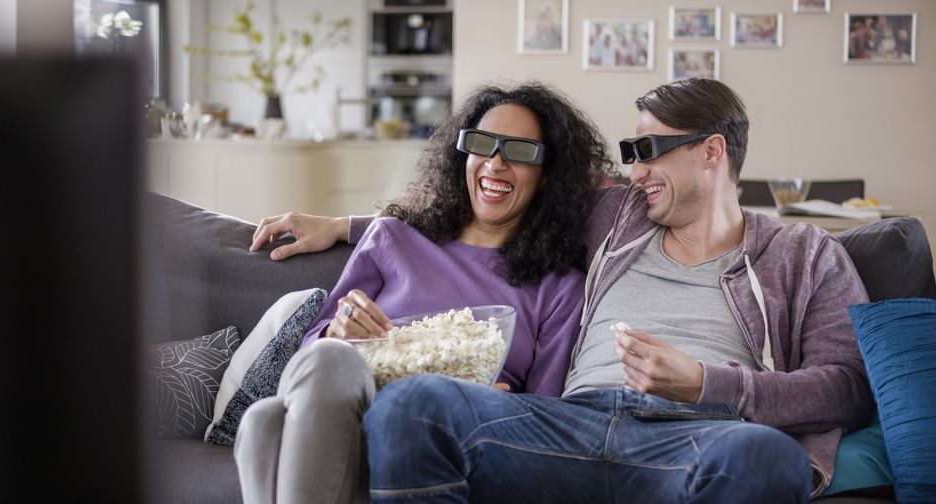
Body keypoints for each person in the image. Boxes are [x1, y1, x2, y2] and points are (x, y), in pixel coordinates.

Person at [279, 78, 873, 502]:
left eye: (649, 152)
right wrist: (347, 226)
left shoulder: (806, 253)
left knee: (768, 461)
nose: (634, 171)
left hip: (699, 436)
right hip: (563, 428)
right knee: (414, 405)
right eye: (629, 154)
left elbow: (848, 387)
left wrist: (705, 383)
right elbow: (496, 188)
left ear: (712, 152)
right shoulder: (619, 216)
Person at [233, 82, 613, 504]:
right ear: (462, 154)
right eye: (482, 144)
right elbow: (306, 363)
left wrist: (488, 405)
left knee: (264, 426)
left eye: (520, 151)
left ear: (546, 177)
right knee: (289, 394)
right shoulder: (394, 236)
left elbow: (543, 422)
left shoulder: (558, 286)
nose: (495, 163)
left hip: (438, 445)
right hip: (344, 412)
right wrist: (337, 333)